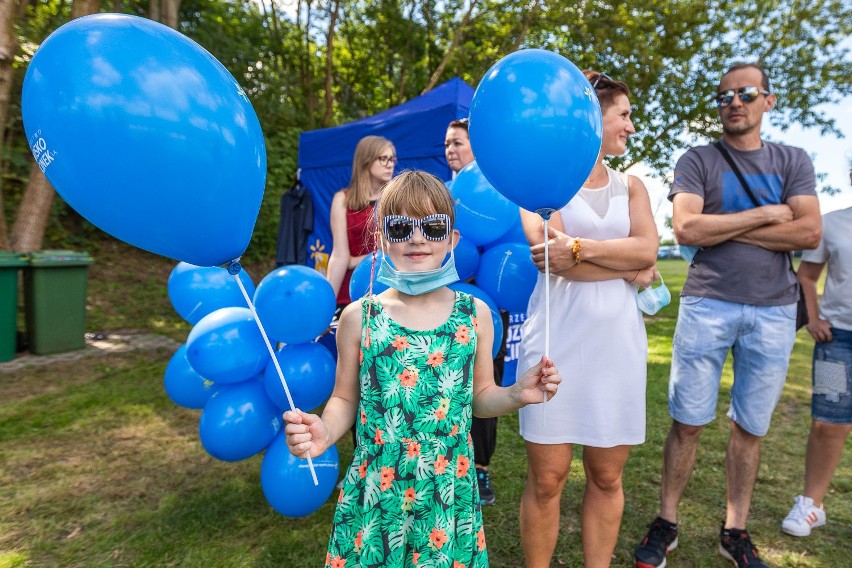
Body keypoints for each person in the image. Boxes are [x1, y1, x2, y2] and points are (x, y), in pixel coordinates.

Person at [283, 170, 562, 568]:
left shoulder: (474, 315)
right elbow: (345, 398)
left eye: (432, 226)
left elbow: (480, 398)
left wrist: (518, 393)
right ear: (381, 239)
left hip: (446, 493)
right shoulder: (359, 316)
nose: (417, 238)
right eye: (400, 227)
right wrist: (325, 432)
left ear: (452, 239)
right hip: (376, 492)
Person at [633, 62, 822, 568]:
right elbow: (687, 230)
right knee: (687, 422)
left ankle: (734, 530)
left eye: (746, 93)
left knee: (751, 428)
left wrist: (724, 227)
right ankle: (667, 521)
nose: (733, 103)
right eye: (724, 97)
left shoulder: (793, 160)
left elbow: (808, 234)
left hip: (775, 310)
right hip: (708, 303)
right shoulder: (697, 159)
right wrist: (766, 214)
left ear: (768, 100)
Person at [517, 71, 659, 568]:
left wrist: (579, 248)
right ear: (591, 119)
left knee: (606, 477)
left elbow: (648, 247)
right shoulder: (539, 184)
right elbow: (549, 256)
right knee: (547, 479)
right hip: (555, 344)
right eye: (623, 115)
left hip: (617, 349)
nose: (630, 127)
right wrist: (626, 263)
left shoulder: (633, 187)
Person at [444, 117, 511, 506]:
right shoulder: (438, 193)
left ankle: (481, 470)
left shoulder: (498, 191)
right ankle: (448, 464)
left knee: (486, 388)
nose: (451, 149)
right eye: (447, 144)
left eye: (458, 142)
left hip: (485, 306)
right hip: (441, 307)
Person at [781, 180, 851, 537]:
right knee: (828, 423)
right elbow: (807, 277)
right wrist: (813, 317)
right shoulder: (832, 224)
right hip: (837, 340)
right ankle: (812, 505)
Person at [326, 135, 396, 310]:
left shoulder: (396, 199)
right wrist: (326, 305)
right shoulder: (343, 199)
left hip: (390, 291)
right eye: (383, 158)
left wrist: (354, 260)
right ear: (366, 160)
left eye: (392, 159)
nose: (390, 164)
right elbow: (340, 256)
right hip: (351, 292)